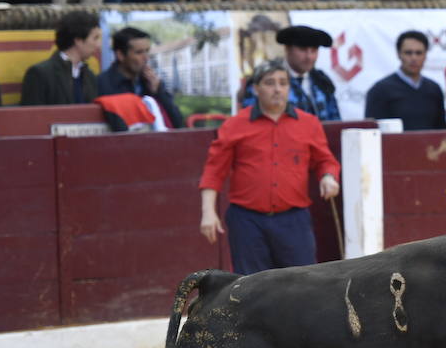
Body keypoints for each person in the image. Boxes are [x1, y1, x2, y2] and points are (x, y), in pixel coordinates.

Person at [200, 59, 340, 275]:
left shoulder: (309, 123)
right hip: (247, 220)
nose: (277, 89)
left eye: (283, 83)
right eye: (270, 83)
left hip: (293, 218)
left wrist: (328, 176)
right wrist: (208, 212)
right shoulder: (235, 125)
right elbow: (214, 170)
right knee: (250, 287)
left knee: (303, 283)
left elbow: (325, 160)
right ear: (256, 89)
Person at [241, 25, 341, 119]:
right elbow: (250, 120)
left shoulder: (321, 81)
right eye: (303, 49)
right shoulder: (265, 78)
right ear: (287, 49)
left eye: (314, 50)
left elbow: (335, 119)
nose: (309, 56)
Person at [97, 26, 185, 128]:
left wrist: (158, 92)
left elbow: (178, 123)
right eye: (139, 52)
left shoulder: (150, 83)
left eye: (147, 51)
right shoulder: (103, 83)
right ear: (120, 55)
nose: (146, 58)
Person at [364, 30, 446, 130]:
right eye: (408, 53)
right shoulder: (380, 90)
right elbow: (372, 132)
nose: (414, 58)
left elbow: (441, 130)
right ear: (399, 54)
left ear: (425, 55)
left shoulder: (434, 89)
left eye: (419, 53)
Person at [20, 9, 100, 106]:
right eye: (95, 38)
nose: (98, 45)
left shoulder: (89, 76)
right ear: (78, 40)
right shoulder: (40, 74)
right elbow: (31, 116)